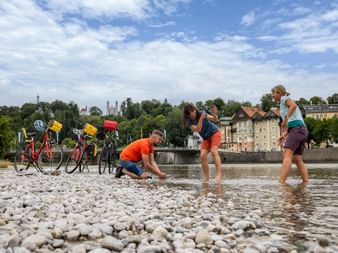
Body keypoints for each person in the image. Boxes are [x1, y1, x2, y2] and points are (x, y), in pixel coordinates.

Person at [271, 84, 308, 184]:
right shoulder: (282, 104)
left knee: (287, 154)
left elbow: (294, 105)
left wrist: (286, 119)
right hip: (301, 130)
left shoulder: (284, 98)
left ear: (279, 92)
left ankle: (281, 182)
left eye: (273, 94)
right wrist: (284, 134)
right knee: (297, 159)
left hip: (297, 129)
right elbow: (293, 120)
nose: (272, 96)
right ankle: (305, 183)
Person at [183, 103, 222, 182]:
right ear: (188, 114)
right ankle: (206, 177)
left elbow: (215, 120)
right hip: (205, 137)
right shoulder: (188, 121)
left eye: (194, 110)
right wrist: (201, 119)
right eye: (191, 112)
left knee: (214, 151)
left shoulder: (200, 113)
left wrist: (214, 114)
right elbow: (198, 129)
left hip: (215, 133)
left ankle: (218, 175)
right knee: (202, 155)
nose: (194, 112)